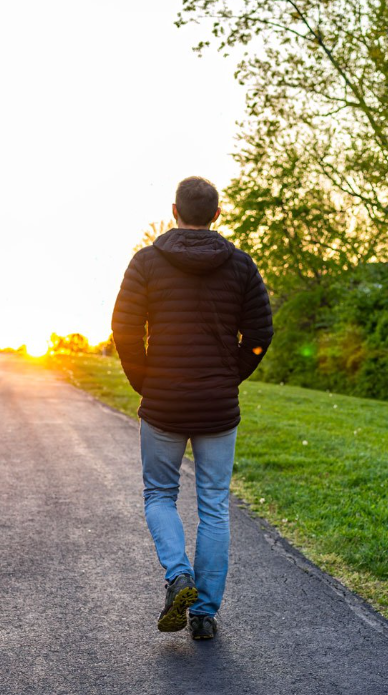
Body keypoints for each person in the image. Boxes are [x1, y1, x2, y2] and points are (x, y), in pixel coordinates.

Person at [111, 176, 274, 640]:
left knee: (160, 495)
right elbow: (260, 336)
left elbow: (124, 330)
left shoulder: (146, 261)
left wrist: (145, 381)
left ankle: (177, 574)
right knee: (214, 506)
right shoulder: (241, 265)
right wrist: (230, 376)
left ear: (174, 211)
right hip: (217, 407)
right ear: (217, 215)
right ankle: (203, 613)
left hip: (163, 402)